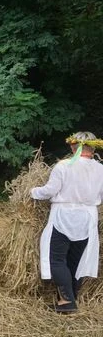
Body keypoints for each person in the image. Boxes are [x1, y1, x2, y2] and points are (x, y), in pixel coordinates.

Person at [31, 131, 103, 313]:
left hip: (64, 215)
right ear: (93, 147)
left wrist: (33, 192)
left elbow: (50, 191)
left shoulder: (63, 166)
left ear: (73, 146)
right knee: (75, 261)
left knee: (56, 258)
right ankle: (70, 297)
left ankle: (67, 301)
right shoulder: (100, 169)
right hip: (88, 217)